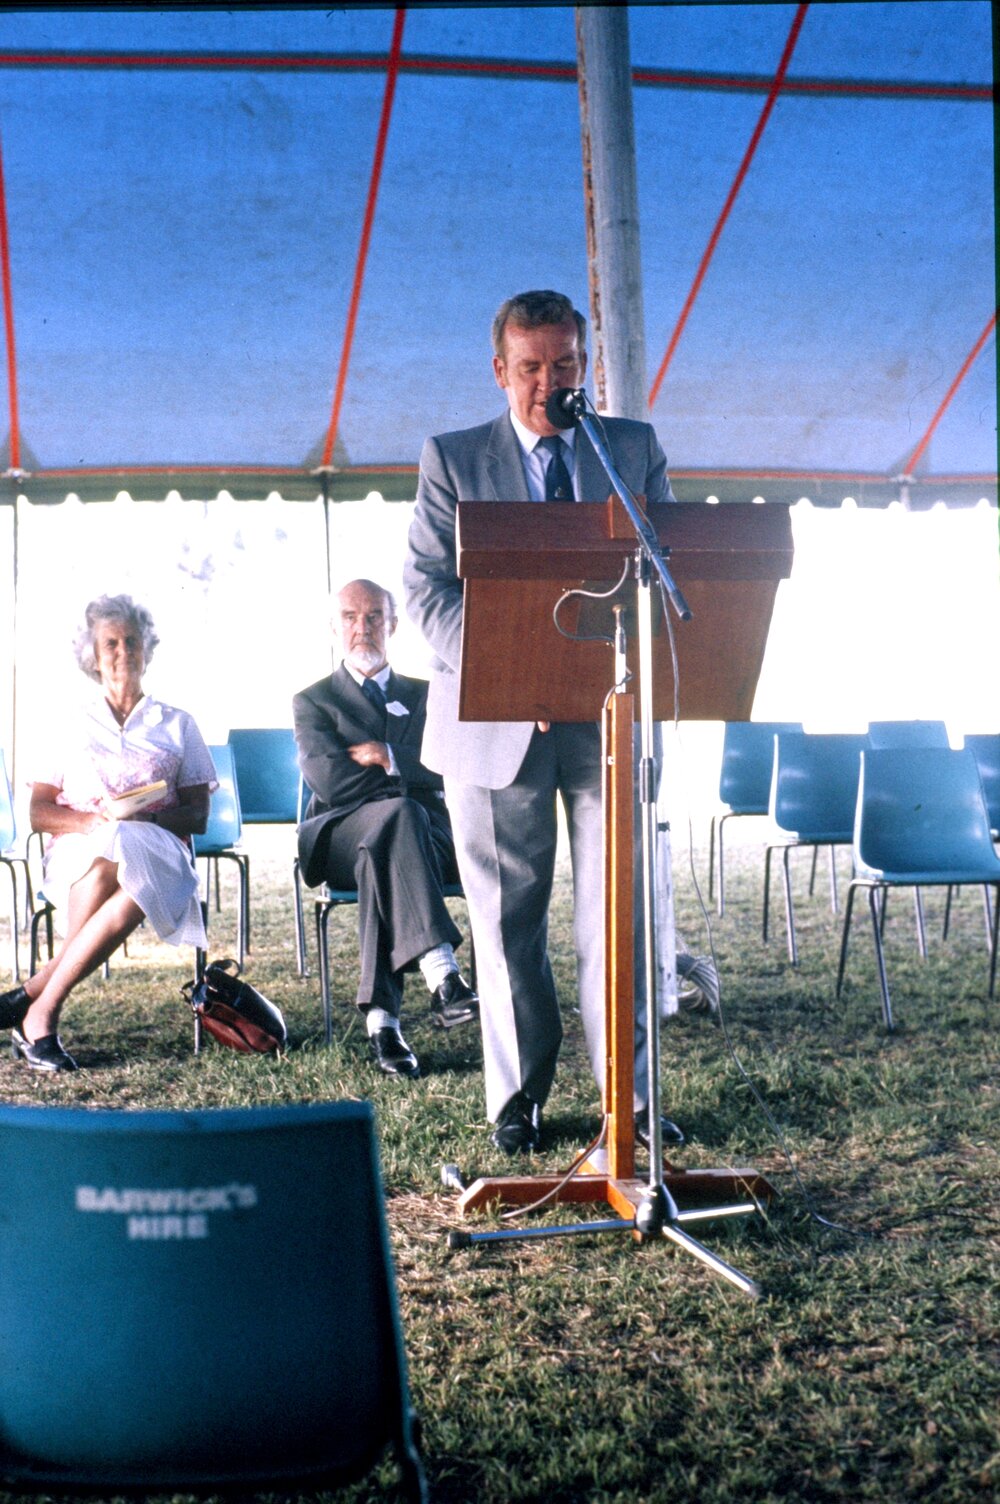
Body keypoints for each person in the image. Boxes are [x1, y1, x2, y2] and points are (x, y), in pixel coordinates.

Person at [403, 287, 685, 1154]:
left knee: (617, 916)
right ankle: (518, 1096)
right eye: (531, 368)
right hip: (493, 723)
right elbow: (423, 590)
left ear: (584, 365)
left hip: (609, 716)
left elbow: (669, 568)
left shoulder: (630, 448)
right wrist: (510, 659)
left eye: (565, 364)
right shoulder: (451, 459)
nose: (549, 384)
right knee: (505, 915)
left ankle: (626, 1105)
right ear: (500, 371)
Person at [0, 594, 217, 1072]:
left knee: (133, 845)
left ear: (147, 650)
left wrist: (149, 820)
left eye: (131, 641)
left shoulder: (178, 723)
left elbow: (198, 814)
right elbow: (37, 812)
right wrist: (91, 822)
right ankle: (37, 1011)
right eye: (111, 644)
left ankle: (38, 1002)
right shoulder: (68, 722)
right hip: (81, 851)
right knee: (111, 855)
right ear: (93, 658)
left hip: (159, 844)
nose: (123, 652)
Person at [293, 577, 477, 1080]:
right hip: (337, 834)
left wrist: (387, 756)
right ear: (334, 628)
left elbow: (450, 764)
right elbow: (329, 780)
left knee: (386, 845)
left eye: (374, 616)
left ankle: (383, 1025)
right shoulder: (313, 701)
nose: (362, 627)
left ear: (393, 625)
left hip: (418, 840)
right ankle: (442, 972)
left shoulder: (427, 695)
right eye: (350, 617)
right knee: (397, 818)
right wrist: (407, 770)